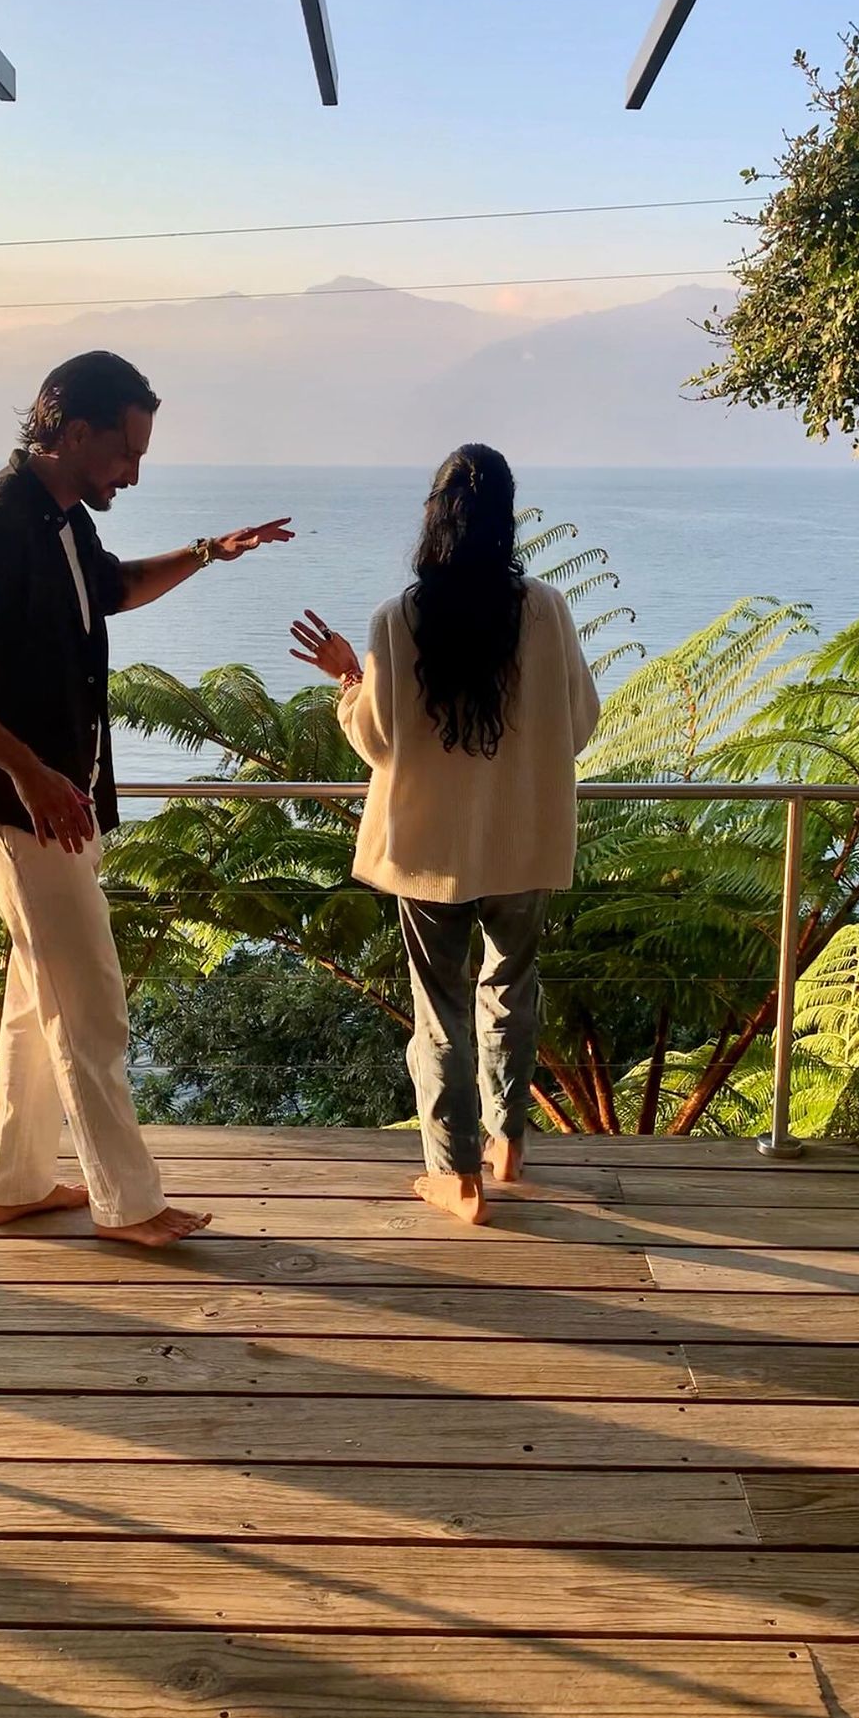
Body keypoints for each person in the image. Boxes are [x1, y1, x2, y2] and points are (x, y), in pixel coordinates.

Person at [0, 350, 293, 1247]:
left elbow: (112, 590)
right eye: (126, 452)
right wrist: (29, 770)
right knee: (93, 1004)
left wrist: (208, 552)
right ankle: (128, 1204)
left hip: (61, 804)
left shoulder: (63, 521)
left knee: (41, 1004)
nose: (134, 473)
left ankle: (16, 1184)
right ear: (74, 433)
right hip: (18, 809)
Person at [290, 443, 599, 1226]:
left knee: (441, 1008)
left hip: (428, 850)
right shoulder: (547, 609)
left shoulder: (398, 618)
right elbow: (580, 724)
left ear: (434, 517)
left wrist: (348, 679)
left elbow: (378, 741)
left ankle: (458, 1176)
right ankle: (508, 1143)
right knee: (511, 990)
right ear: (507, 519)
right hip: (525, 840)